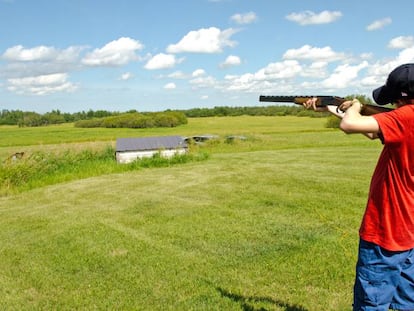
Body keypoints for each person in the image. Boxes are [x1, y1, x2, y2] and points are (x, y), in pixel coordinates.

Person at [305, 63, 414, 311]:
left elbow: (350, 125)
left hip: (387, 229)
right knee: (407, 302)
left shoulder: (406, 117)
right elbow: (373, 132)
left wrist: (354, 107)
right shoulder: (404, 122)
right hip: (408, 231)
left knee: (370, 304)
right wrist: (330, 107)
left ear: (401, 97)